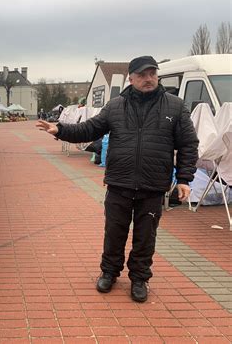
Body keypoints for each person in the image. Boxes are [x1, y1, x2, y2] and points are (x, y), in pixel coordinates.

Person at [36, 56, 199, 303]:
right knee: (114, 233)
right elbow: (89, 129)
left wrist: (185, 178)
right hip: (119, 183)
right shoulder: (115, 106)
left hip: (153, 186)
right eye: (142, 75)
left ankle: (139, 278)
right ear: (131, 79)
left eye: (152, 74)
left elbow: (188, 144)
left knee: (146, 236)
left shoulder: (175, 107)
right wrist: (60, 129)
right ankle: (109, 272)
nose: (148, 79)